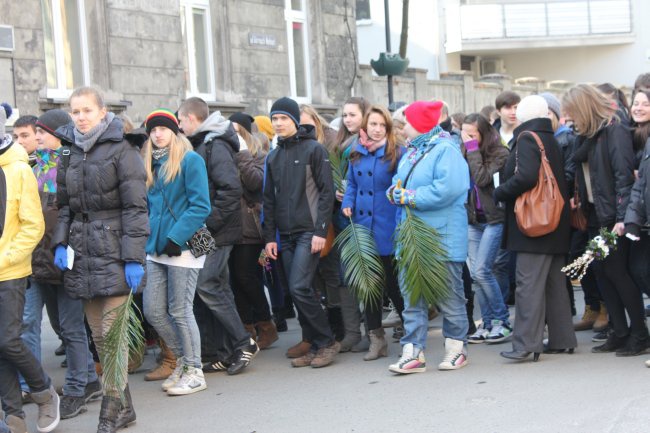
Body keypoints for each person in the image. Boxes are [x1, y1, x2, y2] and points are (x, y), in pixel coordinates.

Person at [52, 86, 149, 432]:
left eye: (86, 111)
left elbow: (136, 209)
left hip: (116, 250)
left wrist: (133, 258)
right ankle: (127, 408)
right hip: (83, 252)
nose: (80, 117)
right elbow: (64, 205)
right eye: (75, 112)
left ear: (102, 111)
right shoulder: (68, 153)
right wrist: (60, 242)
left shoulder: (123, 149)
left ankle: (109, 410)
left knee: (113, 336)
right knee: (100, 337)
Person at [565, 84, 649, 356]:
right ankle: (620, 331)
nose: (569, 119)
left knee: (617, 274)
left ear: (584, 109)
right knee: (603, 273)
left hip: (612, 216)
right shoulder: (590, 135)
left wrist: (622, 218)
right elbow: (577, 166)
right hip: (594, 214)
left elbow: (623, 177)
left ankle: (638, 334)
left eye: (573, 113)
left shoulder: (615, 130)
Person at [387, 100, 470, 374]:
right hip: (411, 239)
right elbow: (403, 182)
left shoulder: (446, 150)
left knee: (449, 297)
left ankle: (456, 348)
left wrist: (409, 197)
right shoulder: (413, 151)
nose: (402, 127)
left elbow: (448, 189)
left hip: (441, 239)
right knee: (412, 298)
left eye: (406, 122)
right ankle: (413, 352)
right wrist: (395, 192)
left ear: (420, 124)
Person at [177, 97, 259, 375]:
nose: (178, 125)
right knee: (215, 286)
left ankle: (243, 341)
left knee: (207, 283)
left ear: (191, 118)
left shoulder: (216, 144)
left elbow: (230, 189)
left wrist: (209, 224)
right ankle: (224, 351)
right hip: (203, 229)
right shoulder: (200, 143)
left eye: (180, 120)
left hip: (216, 229)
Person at [494, 95, 577, 361]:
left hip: (534, 225)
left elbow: (526, 177)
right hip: (554, 223)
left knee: (527, 285)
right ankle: (562, 338)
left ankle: (526, 344)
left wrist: (500, 192)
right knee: (554, 284)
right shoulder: (549, 136)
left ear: (521, 116)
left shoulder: (527, 138)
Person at [33, 109, 102, 419]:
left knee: (73, 327)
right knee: (62, 326)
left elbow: (72, 215)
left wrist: (65, 248)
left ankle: (77, 388)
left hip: (67, 257)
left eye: (41, 132)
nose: (36, 137)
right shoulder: (38, 168)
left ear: (59, 134)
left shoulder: (72, 166)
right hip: (42, 260)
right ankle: (88, 377)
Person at [263, 96, 340, 368]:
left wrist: (320, 230)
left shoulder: (314, 150)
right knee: (297, 290)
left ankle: (327, 341)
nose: (278, 123)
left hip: (309, 231)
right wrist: (269, 238)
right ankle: (314, 342)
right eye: (275, 119)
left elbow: (326, 193)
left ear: (295, 120)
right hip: (285, 235)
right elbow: (269, 200)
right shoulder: (273, 157)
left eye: (284, 118)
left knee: (299, 286)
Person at [141, 109, 211, 396]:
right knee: (154, 310)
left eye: (163, 128)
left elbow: (201, 206)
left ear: (174, 131)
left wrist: (175, 236)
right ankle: (184, 361)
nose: (158, 133)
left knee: (180, 310)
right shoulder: (150, 164)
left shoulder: (190, 160)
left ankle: (195, 370)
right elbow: (149, 208)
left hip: (183, 246)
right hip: (156, 248)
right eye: (153, 130)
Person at [0, 102, 60, 433]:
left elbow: (33, 225)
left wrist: (6, 258)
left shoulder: (19, 168)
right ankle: (14, 415)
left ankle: (43, 391)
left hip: (11, 271)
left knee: (9, 340)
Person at [341, 105, 404, 361]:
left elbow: (403, 184)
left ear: (388, 128)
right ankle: (377, 340)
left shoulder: (397, 152)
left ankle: (412, 334)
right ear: (365, 127)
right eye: (372, 125)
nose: (376, 130)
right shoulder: (355, 152)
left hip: (387, 226)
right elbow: (352, 184)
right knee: (369, 287)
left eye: (381, 125)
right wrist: (347, 202)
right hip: (362, 227)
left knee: (393, 284)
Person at [228, 112, 278, 350]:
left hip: (253, 228)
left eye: (237, 131)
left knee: (249, 277)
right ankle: (246, 329)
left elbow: (256, 183)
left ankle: (266, 325)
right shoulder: (224, 153)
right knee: (234, 279)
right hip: (229, 227)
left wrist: (243, 154)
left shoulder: (258, 154)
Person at [461, 113, 511, 344]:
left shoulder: (500, 153)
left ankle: (502, 321)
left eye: (472, 134)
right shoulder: (465, 152)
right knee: (475, 276)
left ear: (484, 132)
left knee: (483, 271)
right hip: (474, 220)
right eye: (465, 134)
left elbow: (481, 179)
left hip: (494, 219)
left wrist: (471, 148)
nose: (468, 138)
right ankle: (488, 323)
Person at [625, 88, 650, 367]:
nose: (639, 107)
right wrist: (632, 219)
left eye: (645, 103)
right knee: (640, 270)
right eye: (636, 103)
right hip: (643, 220)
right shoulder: (637, 136)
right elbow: (640, 185)